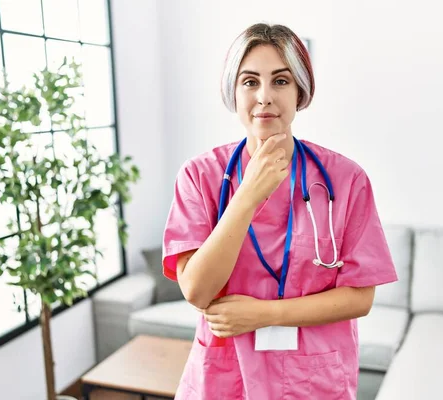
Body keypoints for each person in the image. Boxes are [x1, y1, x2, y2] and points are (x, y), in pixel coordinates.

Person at [162, 23, 397, 400]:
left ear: (301, 90)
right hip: (225, 379)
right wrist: (247, 196)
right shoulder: (200, 176)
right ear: (233, 92)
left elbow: (359, 298)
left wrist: (264, 314)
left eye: (281, 81)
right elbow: (197, 289)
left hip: (312, 381)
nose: (265, 97)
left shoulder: (346, 179)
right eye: (250, 81)